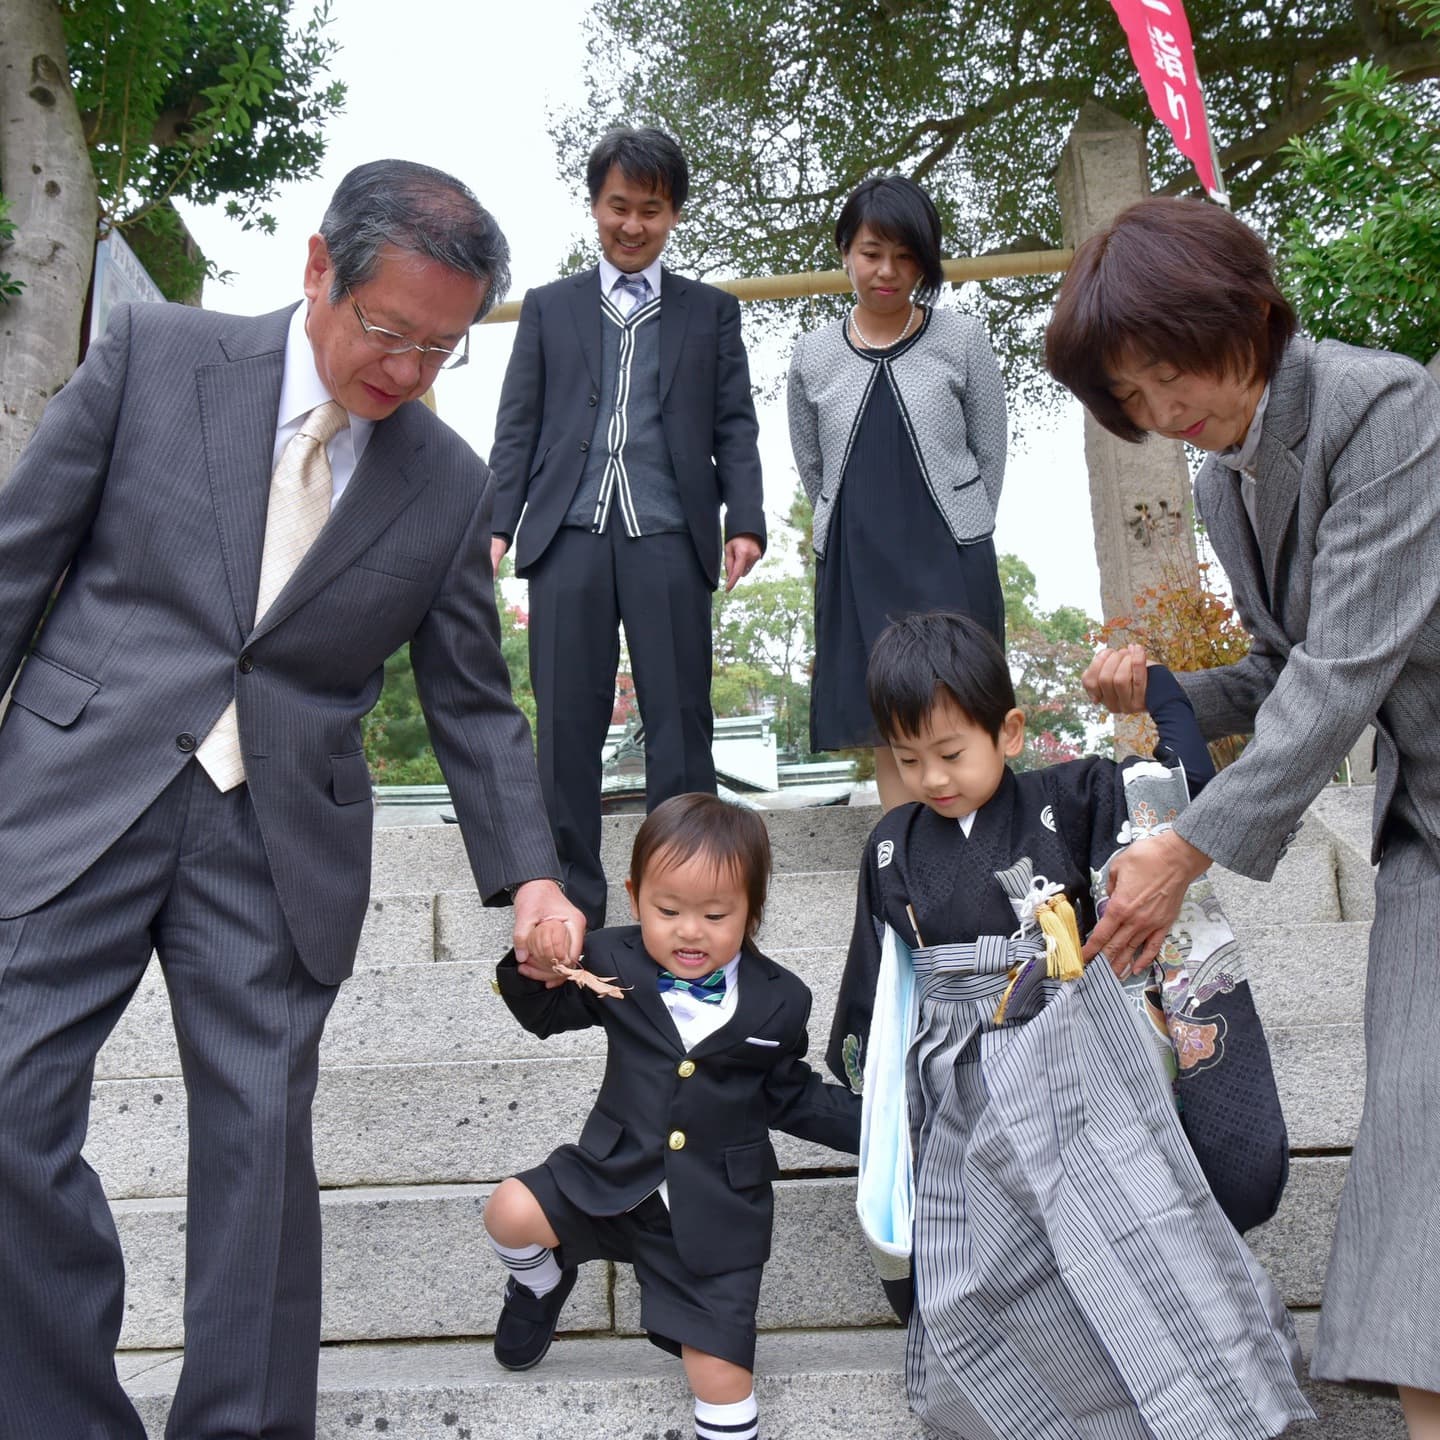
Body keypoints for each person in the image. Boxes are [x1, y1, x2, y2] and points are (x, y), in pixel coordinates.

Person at [0, 159, 584, 1440]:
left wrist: (533, 873)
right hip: (75, 793)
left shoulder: (446, 481)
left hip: (274, 839)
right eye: (389, 332)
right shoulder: (153, 354)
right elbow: (15, 563)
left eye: (444, 349)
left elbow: (475, 701)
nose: (409, 372)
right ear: (319, 267)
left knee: (260, 1160)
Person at [1045, 195, 1440, 1438]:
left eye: (1174, 371)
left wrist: (1191, 847)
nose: (1166, 412)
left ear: (1244, 312)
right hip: (1425, 822)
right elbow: (1285, 665)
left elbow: (1343, 673)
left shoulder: (1387, 410)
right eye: (1136, 396)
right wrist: (1159, 688)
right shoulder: (1228, 483)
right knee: (1417, 1130)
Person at [826, 611, 1312, 1439]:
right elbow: (879, 986)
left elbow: (1183, 808)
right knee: (997, 1269)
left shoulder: (1074, 794)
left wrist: (1163, 700)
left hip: (1075, 1063)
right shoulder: (889, 846)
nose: (932, 779)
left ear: (1010, 731)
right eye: (908, 761)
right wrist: (869, 1089)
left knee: (1124, 1236)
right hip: (959, 1082)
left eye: (950, 754)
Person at [486, 792, 860, 1440]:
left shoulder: (781, 1001)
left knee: (720, 1377)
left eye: (716, 914)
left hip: (716, 1211)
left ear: (751, 910)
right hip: (612, 1178)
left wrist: (886, 1129)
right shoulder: (611, 960)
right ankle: (541, 1284)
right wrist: (536, 968)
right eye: (668, 911)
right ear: (635, 898)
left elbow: (788, 1094)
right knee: (509, 1211)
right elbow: (543, 1016)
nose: (690, 931)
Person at [489, 126, 766, 930]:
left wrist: (743, 520)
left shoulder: (709, 313)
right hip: (567, 532)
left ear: (674, 214)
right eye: (619, 207)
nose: (632, 225)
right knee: (566, 720)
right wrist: (497, 525)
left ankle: (690, 888)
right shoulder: (549, 309)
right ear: (594, 207)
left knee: (681, 719)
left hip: (669, 532)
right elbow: (518, 427)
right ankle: (568, 893)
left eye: (651, 210)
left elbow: (734, 425)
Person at [786, 175, 1008, 810]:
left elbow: (990, 450)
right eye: (872, 252)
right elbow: (812, 461)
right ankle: (905, 853)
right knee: (886, 708)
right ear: (845, 252)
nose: (887, 270)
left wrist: (967, 526)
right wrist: (848, 518)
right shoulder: (813, 354)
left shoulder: (962, 339)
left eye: (906, 256)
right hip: (858, 554)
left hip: (948, 548)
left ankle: (989, 848)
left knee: (965, 695)